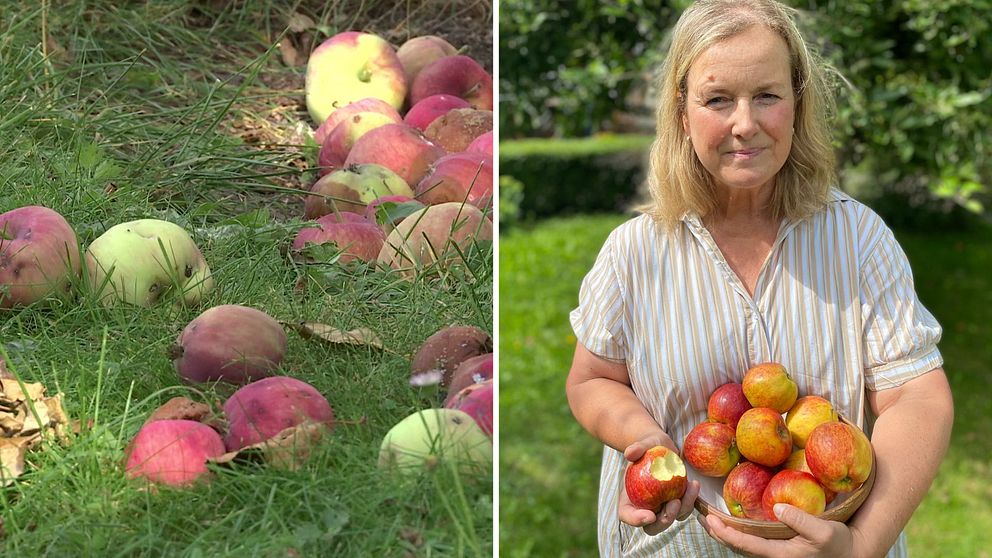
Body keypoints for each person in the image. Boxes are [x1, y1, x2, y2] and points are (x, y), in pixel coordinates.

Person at [564, 0, 954, 556]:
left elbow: (917, 397)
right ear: (682, 110)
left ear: (797, 101)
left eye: (767, 95)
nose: (744, 124)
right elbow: (592, 380)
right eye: (718, 99)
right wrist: (642, 438)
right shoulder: (635, 251)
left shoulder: (858, 239)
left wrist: (859, 547)